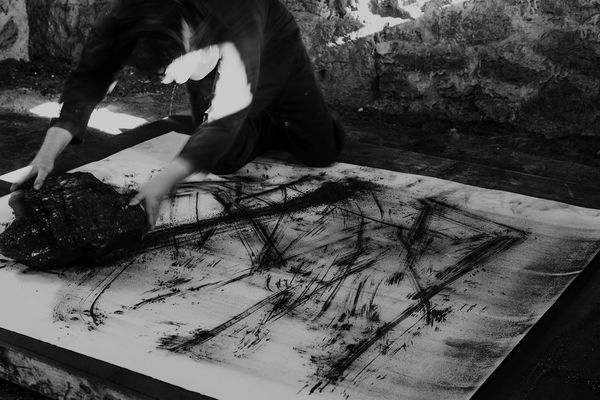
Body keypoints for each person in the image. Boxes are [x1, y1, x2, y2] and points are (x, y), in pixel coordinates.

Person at [12, 0, 345, 227]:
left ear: (191, 39)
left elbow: (224, 118)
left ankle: (279, 114)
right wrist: (46, 155)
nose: (164, 81)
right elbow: (90, 77)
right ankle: (264, 125)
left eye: (170, 70)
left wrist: (163, 182)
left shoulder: (237, 16)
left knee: (320, 152)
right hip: (205, 58)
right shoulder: (129, 12)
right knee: (222, 159)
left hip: (274, 47)